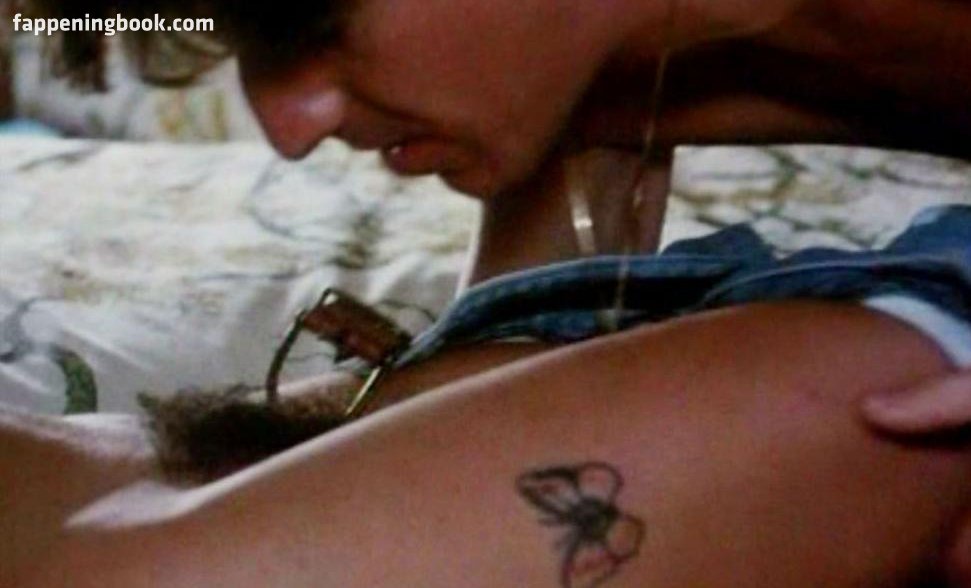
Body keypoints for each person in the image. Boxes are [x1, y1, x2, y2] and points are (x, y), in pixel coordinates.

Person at [4, 0, 971, 586]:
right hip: (684, 317)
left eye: (323, 26)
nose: (287, 129)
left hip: (924, 351)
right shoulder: (619, 57)